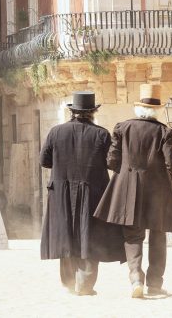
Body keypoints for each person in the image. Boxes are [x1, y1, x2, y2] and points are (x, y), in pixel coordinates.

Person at [94, 86, 172, 298]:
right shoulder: (164, 132)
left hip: (129, 187)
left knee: (132, 234)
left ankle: (136, 277)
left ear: (139, 109)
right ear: (157, 110)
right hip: (158, 188)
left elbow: (111, 160)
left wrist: (126, 173)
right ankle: (155, 285)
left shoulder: (122, 127)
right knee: (158, 234)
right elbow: (171, 162)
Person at [40, 91, 126, 296]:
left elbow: (45, 161)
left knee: (66, 235)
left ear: (73, 112)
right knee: (90, 236)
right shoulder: (102, 134)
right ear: (93, 112)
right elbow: (113, 163)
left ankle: (69, 282)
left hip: (62, 192)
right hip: (93, 191)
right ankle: (85, 285)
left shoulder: (55, 132)